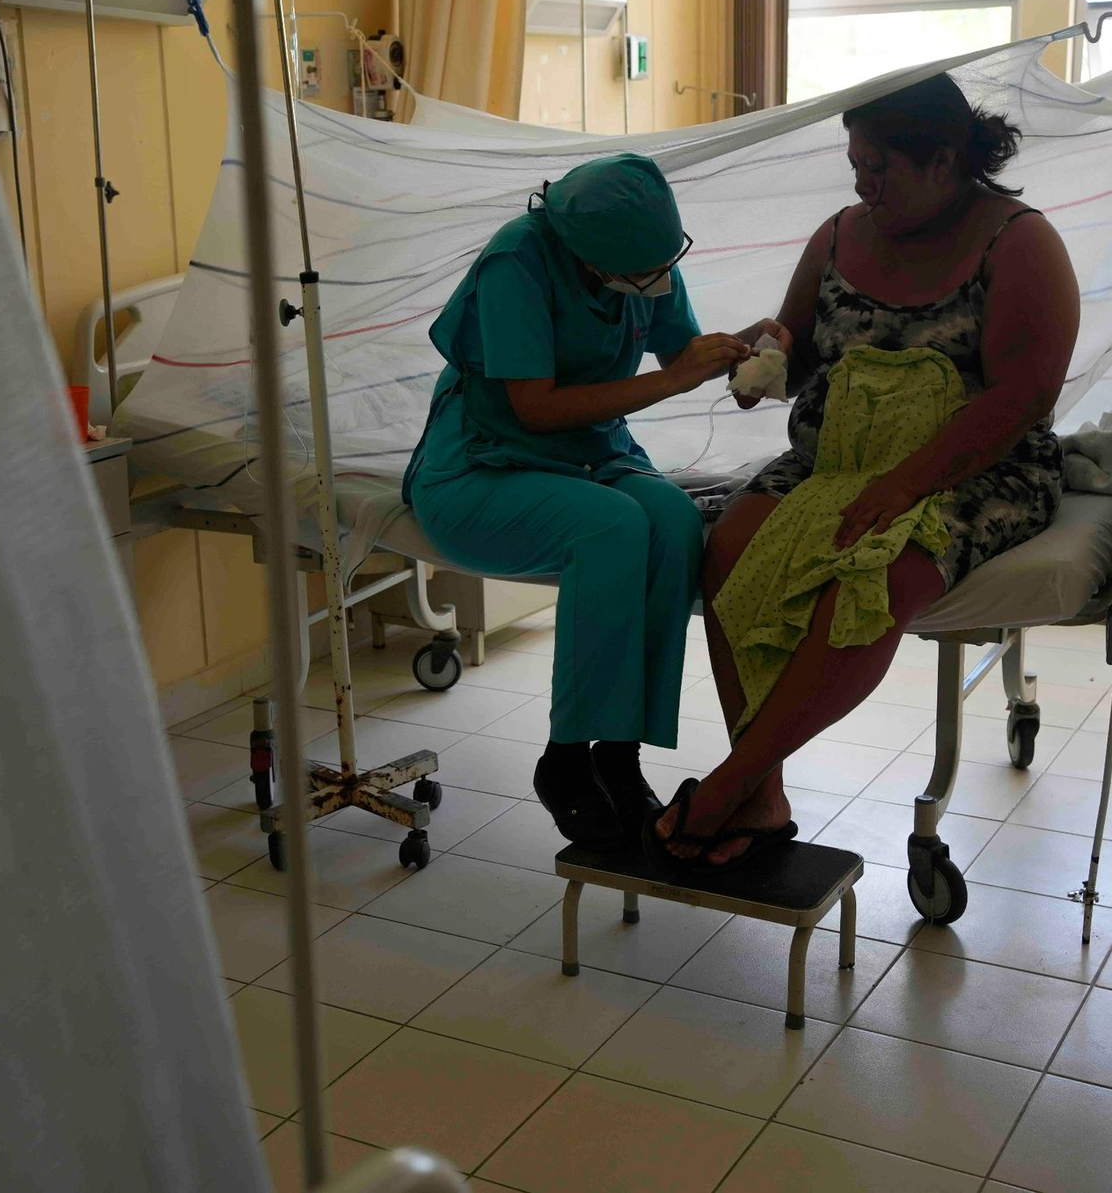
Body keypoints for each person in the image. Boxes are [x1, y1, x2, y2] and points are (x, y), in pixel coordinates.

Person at [651, 73, 1080, 868]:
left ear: (946, 158)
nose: (862, 182)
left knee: (871, 578)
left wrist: (905, 483)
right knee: (729, 550)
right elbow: (802, 347)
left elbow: (1022, 398)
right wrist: (766, 356)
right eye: (855, 162)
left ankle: (725, 789)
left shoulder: (1018, 243)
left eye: (879, 166)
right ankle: (764, 789)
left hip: (974, 467)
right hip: (840, 455)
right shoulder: (841, 233)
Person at [403, 153, 749, 850]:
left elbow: (682, 350)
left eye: (664, 262)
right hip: (482, 462)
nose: (657, 280)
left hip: (590, 453)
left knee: (676, 521)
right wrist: (673, 384)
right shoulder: (517, 264)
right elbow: (533, 409)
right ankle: (564, 762)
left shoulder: (639, 259)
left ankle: (618, 758)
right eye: (646, 270)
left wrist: (742, 361)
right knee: (613, 525)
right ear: (588, 254)